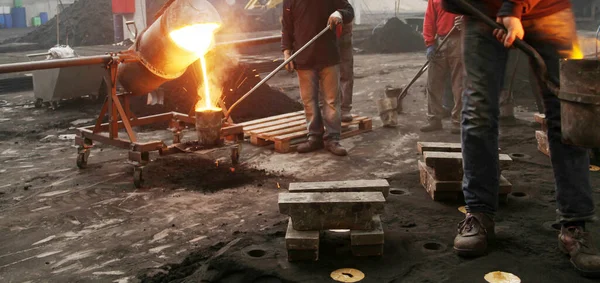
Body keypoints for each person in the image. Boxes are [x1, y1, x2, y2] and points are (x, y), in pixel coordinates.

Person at [443, 0, 600, 276]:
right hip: (483, 10)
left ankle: (575, 224)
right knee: (478, 112)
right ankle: (479, 213)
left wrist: (514, 7)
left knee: (566, 113)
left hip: (546, 8)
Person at [281, 0, 354, 156]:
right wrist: (286, 51)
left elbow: (349, 10)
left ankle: (332, 139)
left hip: (328, 57)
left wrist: (339, 13)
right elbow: (287, 27)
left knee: (331, 101)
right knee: (309, 101)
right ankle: (314, 137)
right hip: (304, 57)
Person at [421, 0, 464, 134]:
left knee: (459, 84)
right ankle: (434, 120)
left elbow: (480, 13)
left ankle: (458, 121)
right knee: (433, 82)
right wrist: (429, 43)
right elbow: (429, 19)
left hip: (460, 39)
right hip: (440, 40)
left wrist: (467, 21)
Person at [339, 21, 354, 122]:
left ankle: (344, 109)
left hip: (342, 34)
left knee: (346, 73)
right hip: (320, 36)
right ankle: (323, 108)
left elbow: (348, 12)